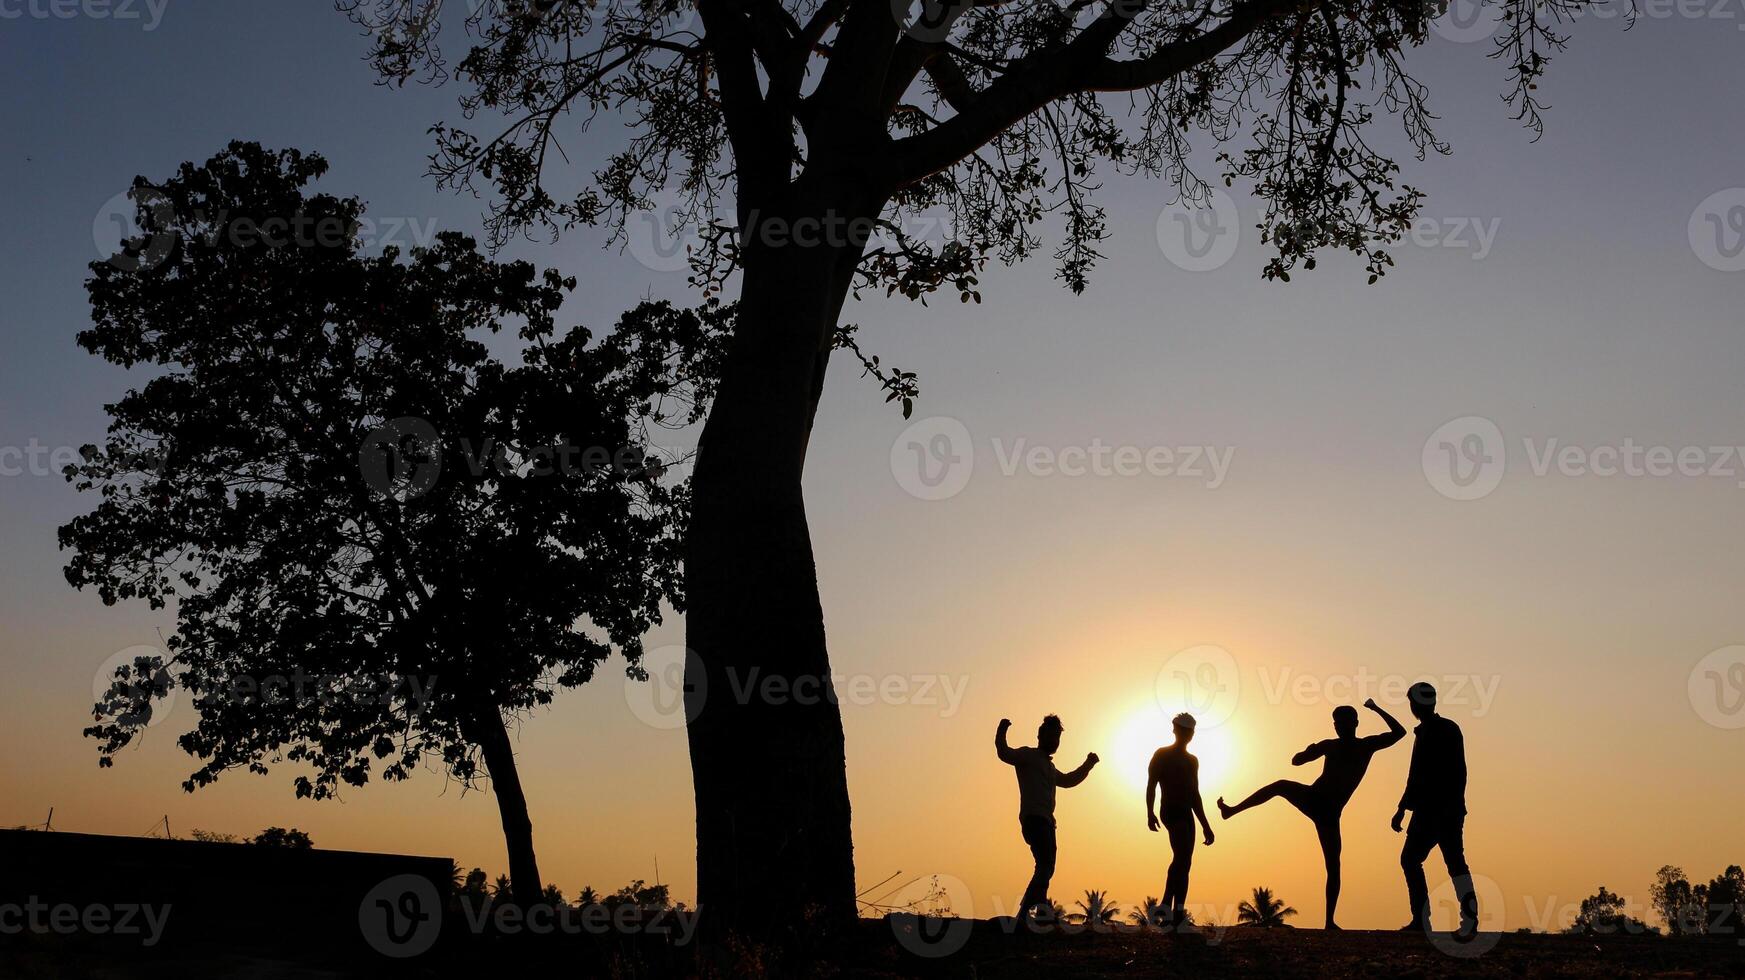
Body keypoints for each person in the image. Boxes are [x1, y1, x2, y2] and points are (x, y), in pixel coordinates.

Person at [1216, 698, 1406, 929]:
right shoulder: (1332, 745)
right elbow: (1296, 761)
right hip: (1314, 798)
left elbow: (1399, 732)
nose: (1338, 726)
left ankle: (1329, 921)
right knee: (1280, 785)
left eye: (1343, 722)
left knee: (1333, 866)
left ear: (1355, 723)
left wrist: (1376, 709)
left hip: (1329, 813)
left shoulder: (1365, 746)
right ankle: (1232, 810)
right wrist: (1310, 751)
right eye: (1336, 723)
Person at [1393, 682, 1478, 937]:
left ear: (1416, 705)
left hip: (1433, 810)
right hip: (1444, 809)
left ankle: (1423, 920)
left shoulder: (1437, 731)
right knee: (1454, 863)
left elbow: (1420, 776)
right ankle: (1466, 921)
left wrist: (1404, 808)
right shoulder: (1441, 729)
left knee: (1413, 860)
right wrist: (1403, 807)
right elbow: (1421, 776)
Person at [996, 715, 1098, 925]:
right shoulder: (1028, 756)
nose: (1054, 742)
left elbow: (1069, 780)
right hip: (1035, 820)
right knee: (1045, 866)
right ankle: (1028, 914)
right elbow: (1004, 753)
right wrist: (1002, 729)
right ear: (1040, 736)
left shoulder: (1050, 768)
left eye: (1057, 739)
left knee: (1046, 867)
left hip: (1047, 822)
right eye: (1051, 737)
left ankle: (1036, 913)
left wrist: (1088, 765)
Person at [1145, 712, 1215, 930]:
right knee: (1182, 857)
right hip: (1171, 811)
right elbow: (1151, 785)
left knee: (1185, 861)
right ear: (1175, 730)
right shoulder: (1162, 755)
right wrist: (1150, 812)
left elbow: (1195, 795)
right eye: (1183, 730)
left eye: (1190, 731)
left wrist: (1206, 825)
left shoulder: (1192, 761)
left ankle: (1176, 913)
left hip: (1187, 812)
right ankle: (1168, 907)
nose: (1187, 735)